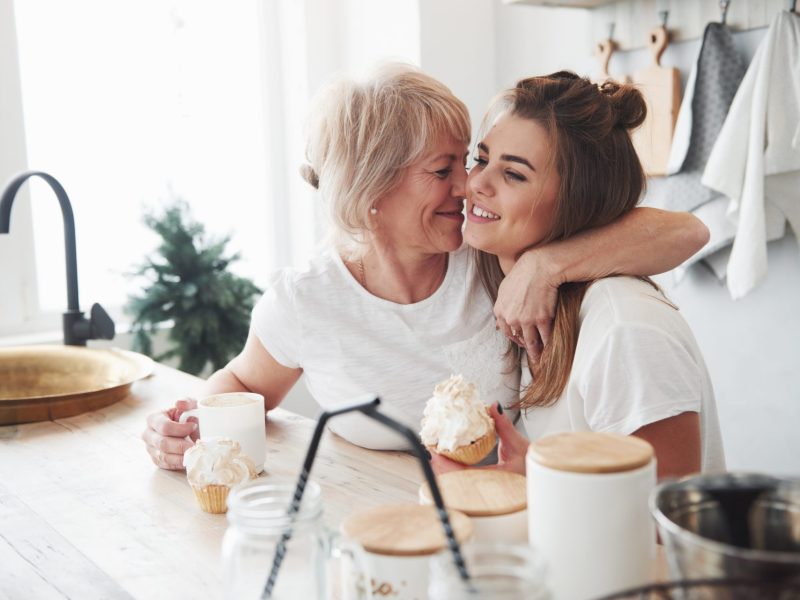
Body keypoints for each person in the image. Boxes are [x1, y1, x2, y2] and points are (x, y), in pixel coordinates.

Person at [142, 63, 709, 470]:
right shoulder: (308, 298)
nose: (467, 186)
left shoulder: (488, 257)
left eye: (470, 162)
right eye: (446, 170)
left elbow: (686, 229)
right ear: (373, 192)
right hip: (386, 514)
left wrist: (545, 264)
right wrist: (192, 422)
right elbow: (242, 382)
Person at [437, 71, 724, 479]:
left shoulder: (625, 331)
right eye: (481, 159)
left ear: (578, 202)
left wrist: (546, 263)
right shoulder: (530, 304)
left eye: (514, 174)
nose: (476, 183)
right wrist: (526, 474)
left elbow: (659, 523)